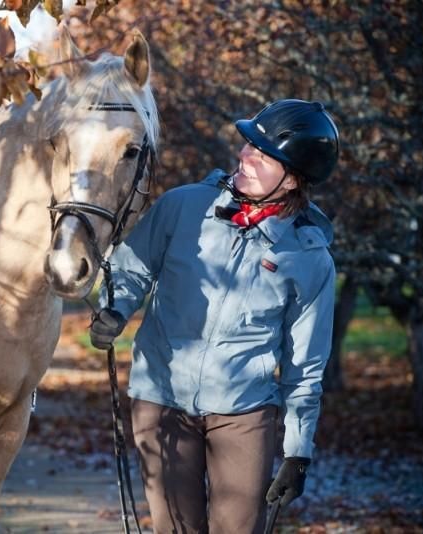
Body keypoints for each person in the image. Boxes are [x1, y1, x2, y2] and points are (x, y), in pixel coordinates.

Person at [89, 99, 340, 533]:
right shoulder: (183, 206)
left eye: (261, 155)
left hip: (243, 411)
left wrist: (298, 453)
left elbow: (305, 368)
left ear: (294, 178)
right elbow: (132, 268)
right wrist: (115, 306)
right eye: (247, 146)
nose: (244, 156)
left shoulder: (309, 257)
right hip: (161, 398)